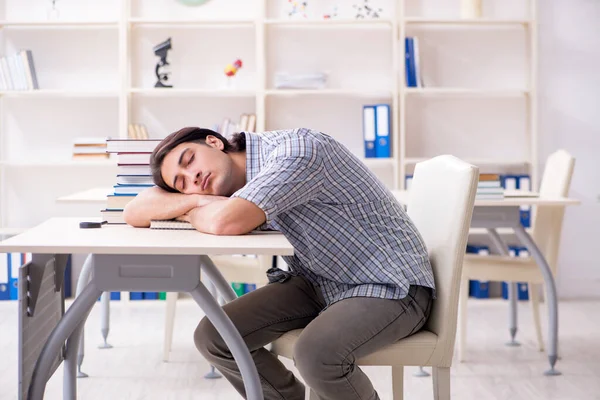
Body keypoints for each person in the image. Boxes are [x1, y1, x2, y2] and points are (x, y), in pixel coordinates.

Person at [123, 126, 435, 400]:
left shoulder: (297, 151)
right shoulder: (235, 183)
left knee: (317, 354)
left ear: (214, 142)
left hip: (389, 286)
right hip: (317, 280)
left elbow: (225, 222)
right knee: (216, 337)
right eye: (181, 183)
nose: (192, 178)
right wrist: (197, 201)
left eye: (189, 160)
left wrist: (187, 206)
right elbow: (134, 211)